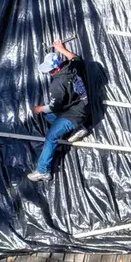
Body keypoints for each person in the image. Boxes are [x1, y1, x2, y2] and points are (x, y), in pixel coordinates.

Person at [26, 38, 89, 181]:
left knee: (51, 136)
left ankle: (43, 171)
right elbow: (76, 58)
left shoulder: (57, 85)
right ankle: (79, 128)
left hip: (75, 114)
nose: (49, 73)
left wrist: (40, 108)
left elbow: (55, 106)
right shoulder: (72, 66)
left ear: (54, 70)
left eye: (49, 71)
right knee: (50, 117)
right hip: (82, 104)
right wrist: (61, 49)